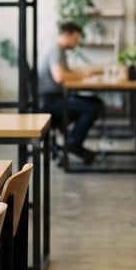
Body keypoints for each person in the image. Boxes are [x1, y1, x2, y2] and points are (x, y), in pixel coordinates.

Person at [37, 21, 104, 164]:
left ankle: (74, 142)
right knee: (93, 107)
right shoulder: (56, 50)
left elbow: (65, 72)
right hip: (50, 101)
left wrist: (82, 74)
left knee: (95, 102)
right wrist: (84, 76)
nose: (76, 43)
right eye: (75, 39)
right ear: (67, 35)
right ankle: (73, 143)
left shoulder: (59, 51)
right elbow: (59, 76)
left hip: (55, 97)